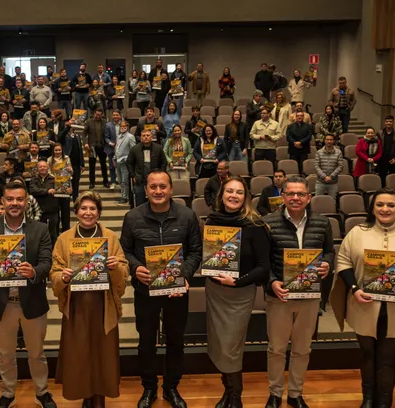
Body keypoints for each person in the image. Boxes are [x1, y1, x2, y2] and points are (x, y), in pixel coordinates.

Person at [330, 189, 395, 408]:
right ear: (372, 208)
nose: (385, 209)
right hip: (363, 304)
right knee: (368, 354)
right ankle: (368, 399)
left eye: (390, 205)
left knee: (388, 358)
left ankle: (385, 401)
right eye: (379, 205)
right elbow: (343, 263)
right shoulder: (357, 232)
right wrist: (354, 288)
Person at [120, 171, 202, 408]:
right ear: (145, 190)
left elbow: (196, 251)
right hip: (145, 291)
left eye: (162, 186)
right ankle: (149, 388)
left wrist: (183, 275)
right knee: (146, 341)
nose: (158, 191)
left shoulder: (187, 216)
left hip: (177, 292)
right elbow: (124, 251)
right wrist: (135, 269)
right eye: (153, 187)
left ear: (171, 189)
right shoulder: (132, 217)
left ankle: (171, 388)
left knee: (175, 341)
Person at [0, 181, 57, 408]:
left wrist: (35, 272)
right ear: (2, 201)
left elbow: (46, 261)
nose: (14, 204)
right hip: (1, 303)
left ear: (26, 201)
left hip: (32, 301)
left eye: (19, 199)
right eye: (10, 199)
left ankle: (42, 393)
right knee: (6, 355)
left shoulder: (40, 229)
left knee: (37, 354)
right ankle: (8, 394)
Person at [51, 191, 129, 408]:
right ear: (76, 212)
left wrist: (114, 268)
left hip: (104, 305)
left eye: (92, 209)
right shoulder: (64, 239)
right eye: (83, 208)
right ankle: (86, 394)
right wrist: (63, 277)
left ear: (99, 212)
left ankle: (100, 397)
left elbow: (124, 272)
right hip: (77, 306)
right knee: (80, 354)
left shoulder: (111, 238)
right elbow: (54, 273)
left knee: (103, 355)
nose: (88, 213)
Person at [262, 176, 335, 408]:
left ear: (309, 197)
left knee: (303, 349)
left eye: (300, 194)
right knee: (276, 349)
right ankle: (275, 393)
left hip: (310, 297)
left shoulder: (323, 223)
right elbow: (263, 262)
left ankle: (295, 394)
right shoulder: (267, 223)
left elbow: (330, 252)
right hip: (280, 296)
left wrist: (327, 265)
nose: (295, 198)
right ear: (282, 197)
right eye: (290, 194)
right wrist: (272, 282)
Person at [204, 178, 272, 408]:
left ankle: (236, 398)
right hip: (214, 292)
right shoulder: (212, 221)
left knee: (230, 346)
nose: (234, 195)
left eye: (239, 192)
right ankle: (227, 392)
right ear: (221, 195)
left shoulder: (255, 225)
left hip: (239, 294)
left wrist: (238, 282)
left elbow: (264, 266)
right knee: (217, 344)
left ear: (246, 197)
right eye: (229, 191)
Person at [126, 130, 167, 208]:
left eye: (148, 135)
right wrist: (133, 175)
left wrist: (161, 174)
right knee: (140, 203)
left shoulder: (158, 148)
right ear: (141, 137)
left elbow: (164, 162)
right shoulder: (135, 149)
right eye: (143, 135)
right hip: (139, 180)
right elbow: (129, 163)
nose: (146, 137)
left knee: (155, 202)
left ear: (151, 137)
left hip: (155, 180)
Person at [30, 160, 61, 242]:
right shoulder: (33, 179)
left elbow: (60, 191)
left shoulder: (54, 179)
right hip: (38, 211)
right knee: (38, 234)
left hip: (52, 210)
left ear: (48, 167)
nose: (42, 168)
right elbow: (33, 190)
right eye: (40, 167)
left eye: (44, 166)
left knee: (53, 234)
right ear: (37, 168)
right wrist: (47, 191)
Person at [84, 109, 110, 188]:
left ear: (102, 115)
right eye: (96, 115)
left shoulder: (105, 122)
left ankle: (105, 181)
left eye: (99, 115)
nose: (98, 116)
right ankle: (92, 182)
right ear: (94, 113)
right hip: (92, 147)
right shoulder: (89, 122)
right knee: (92, 165)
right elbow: (84, 133)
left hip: (102, 146)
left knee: (103, 165)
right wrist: (85, 143)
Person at [114, 120, 136, 205]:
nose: (122, 128)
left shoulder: (130, 137)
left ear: (127, 127)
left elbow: (133, 150)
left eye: (124, 126)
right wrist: (114, 158)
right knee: (119, 180)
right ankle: (123, 195)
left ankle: (125, 197)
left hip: (125, 162)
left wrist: (127, 158)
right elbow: (117, 148)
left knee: (125, 181)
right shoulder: (118, 136)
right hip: (118, 161)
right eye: (121, 126)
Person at [376, 115, 395, 182]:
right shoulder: (380, 133)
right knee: (382, 178)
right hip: (382, 158)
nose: (388, 123)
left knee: (393, 178)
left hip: (393, 158)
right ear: (385, 122)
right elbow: (376, 145)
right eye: (387, 121)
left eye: (390, 121)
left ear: (393, 122)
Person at [286, 111, 314, 175]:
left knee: (303, 167)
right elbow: (288, 137)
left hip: (304, 149)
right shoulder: (290, 126)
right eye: (298, 116)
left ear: (303, 117)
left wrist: (300, 142)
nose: (299, 117)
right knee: (293, 167)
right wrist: (295, 143)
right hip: (293, 149)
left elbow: (309, 137)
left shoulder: (308, 126)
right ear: (295, 117)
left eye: (301, 115)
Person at [104, 111, 122, 185]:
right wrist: (110, 143)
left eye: (116, 115)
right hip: (111, 148)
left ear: (120, 116)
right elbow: (106, 137)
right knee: (112, 166)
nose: (115, 116)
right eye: (114, 115)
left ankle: (120, 180)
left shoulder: (123, 124)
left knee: (120, 165)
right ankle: (113, 181)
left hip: (121, 148)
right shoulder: (108, 125)